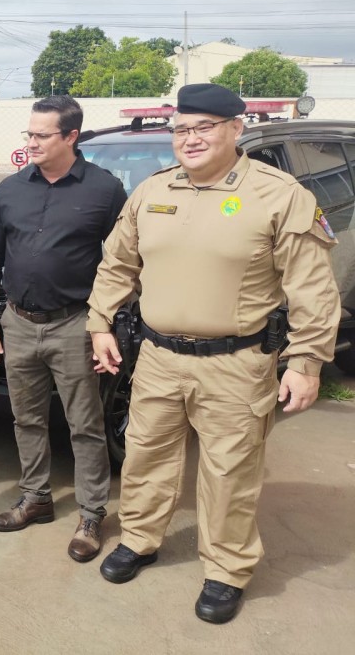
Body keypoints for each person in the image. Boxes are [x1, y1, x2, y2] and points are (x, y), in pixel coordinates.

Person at [88, 84, 341, 624]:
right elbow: (117, 264)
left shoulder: (279, 194)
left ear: (236, 129)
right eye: (182, 129)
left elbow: (313, 288)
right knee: (145, 454)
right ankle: (140, 538)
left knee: (230, 471)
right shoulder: (153, 191)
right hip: (157, 356)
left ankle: (226, 569)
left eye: (204, 127)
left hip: (236, 362)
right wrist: (100, 324)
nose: (191, 138)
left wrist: (306, 362)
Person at [0, 95, 126, 562]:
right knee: (27, 419)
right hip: (17, 323)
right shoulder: (9, 190)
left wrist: (105, 323)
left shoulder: (105, 190)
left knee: (85, 424)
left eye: (42, 135)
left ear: (71, 137)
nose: (32, 143)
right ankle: (36, 497)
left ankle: (91, 513)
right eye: (30, 134)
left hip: (75, 325)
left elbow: (122, 262)